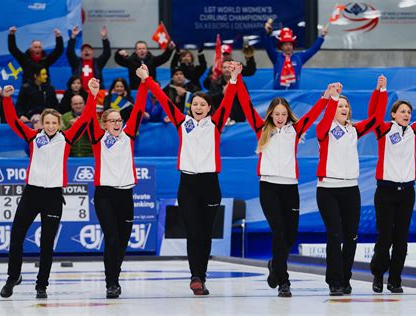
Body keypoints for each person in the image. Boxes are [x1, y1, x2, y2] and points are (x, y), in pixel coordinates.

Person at [141, 61, 242, 295]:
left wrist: (234, 79)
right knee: (193, 231)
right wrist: (147, 79)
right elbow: (164, 100)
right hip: (187, 184)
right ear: (190, 107)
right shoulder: (182, 122)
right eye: (195, 104)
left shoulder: (216, 124)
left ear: (209, 108)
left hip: (210, 184)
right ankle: (195, 275)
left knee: (205, 234)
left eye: (202, 104)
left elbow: (228, 100)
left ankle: (202, 276)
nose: (198, 107)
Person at [0, 78, 99, 299]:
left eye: (55, 123)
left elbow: (85, 119)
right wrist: (6, 99)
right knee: (16, 237)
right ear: (42, 124)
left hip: (53, 196)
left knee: (46, 243)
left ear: (60, 124)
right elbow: (13, 121)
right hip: (31, 193)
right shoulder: (33, 137)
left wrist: (92, 95)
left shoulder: (67, 139)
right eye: (48, 123)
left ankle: (41, 285)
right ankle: (12, 277)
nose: (51, 126)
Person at [236, 79, 337, 296]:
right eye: (277, 114)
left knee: (290, 237)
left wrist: (327, 96)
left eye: (284, 114)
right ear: (270, 114)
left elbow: (314, 114)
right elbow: (246, 104)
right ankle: (284, 281)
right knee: (279, 233)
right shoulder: (261, 128)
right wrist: (236, 80)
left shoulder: (296, 130)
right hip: (269, 187)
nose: (280, 118)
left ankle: (275, 265)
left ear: (288, 115)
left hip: (290, 188)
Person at [316, 77, 388, 296]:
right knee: (334, 235)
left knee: (351, 237)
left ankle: (346, 279)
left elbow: (376, 119)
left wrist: (381, 91)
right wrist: (333, 98)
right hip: (328, 189)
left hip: (350, 189)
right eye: (340, 106)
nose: (343, 108)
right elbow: (325, 120)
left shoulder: (354, 130)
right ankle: (334, 281)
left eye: (346, 106)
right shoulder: (324, 129)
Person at [370, 73, 416, 294]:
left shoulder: (413, 131)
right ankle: (378, 275)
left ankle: (395, 279)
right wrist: (381, 91)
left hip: (407, 191)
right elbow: (374, 115)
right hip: (385, 190)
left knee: (401, 237)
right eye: (402, 111)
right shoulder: (384, 130)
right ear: (393, 114)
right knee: (385, 237)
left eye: (409, 112)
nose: (407, 115)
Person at [87, 65, 149, 298]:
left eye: (118, 119)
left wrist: (143, 82)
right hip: (104, 194)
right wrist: (92, 96)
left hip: (126, 194)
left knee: (122, 241)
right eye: (111, 120)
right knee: (111, 237)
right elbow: (88, 117)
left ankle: (116, 275)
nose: (116, 122)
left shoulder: (129, 135)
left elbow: (140, 108)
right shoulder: (97, 138)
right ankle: (111, 282)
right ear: (103, 123)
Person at [264, 20, 327, 89]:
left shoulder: (299, 58)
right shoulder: (276, 57)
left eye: (290, 44)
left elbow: (313, 50)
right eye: (286, 44)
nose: (288, 47)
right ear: (281, 47)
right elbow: (268, 47)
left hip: (294, 94)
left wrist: (322, 36)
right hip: (278, 95)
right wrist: (267, 34)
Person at [67, 26, 111, 90]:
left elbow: (107, 53)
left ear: (92, 52)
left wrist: (104, 38)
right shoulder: (76, 63)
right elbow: (70, 53)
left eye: (88, 49)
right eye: (84, 50)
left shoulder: (98, 63)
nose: (86, 51)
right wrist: (73, 37)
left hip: (95, 93)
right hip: (79, 93)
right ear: (81, 53)